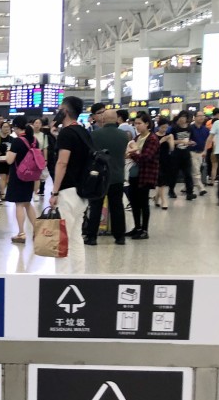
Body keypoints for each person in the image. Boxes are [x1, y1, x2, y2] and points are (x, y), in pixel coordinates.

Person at [49, 96, 92, 273]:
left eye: (60, 109)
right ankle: (78, 276)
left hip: (67, 192)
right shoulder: (83, 132)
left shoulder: (67, 134)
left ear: (65, 112)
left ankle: (61, 279)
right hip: (82, 191)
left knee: (61, 240)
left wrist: (54, 192)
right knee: (75, 238)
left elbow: (62, 163)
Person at [84, 109, 129, 245]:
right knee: (117, 207)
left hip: (99, 176)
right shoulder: (124, 135)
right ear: (116, 120)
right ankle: (119, 237)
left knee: (96, 206)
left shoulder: (94, 134)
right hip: (117, 176)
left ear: (103, 119)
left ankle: (92, 237)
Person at [4, 116, 43, 244]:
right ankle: (37, 231)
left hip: (18, 175)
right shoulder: (34, 140)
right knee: (27, 203)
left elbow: (10, 160)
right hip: (31, 175)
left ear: (15, 127)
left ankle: (21, 233)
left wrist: (7, 153)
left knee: (19, 204)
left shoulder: (17, 141)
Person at [126, 113, 159, 240]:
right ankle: (137, 227)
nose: (137, 126)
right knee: (134, 202)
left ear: (147, 124)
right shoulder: (137, 137)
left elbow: (146, 158)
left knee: (143, 202)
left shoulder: (152, 139)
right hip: (134, 174)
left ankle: (144, 229)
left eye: (140, 123)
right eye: (136, 124)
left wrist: (132, 154)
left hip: (145, 174)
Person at [169, 112, 196, 200]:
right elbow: (171, 141)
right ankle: (171, 190)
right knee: (173, 174)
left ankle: (189, 192)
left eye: (184, 117)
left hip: (186, 154)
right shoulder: (174, 128)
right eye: (181, 117)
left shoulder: (190, 128)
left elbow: (191, 139)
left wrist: (191, 143)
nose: (182, 119)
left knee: (188, 174)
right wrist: (181, 141)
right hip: (176, 154)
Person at [189, 111, 211, 196]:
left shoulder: (205, 129)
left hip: (201, 152)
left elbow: (207, 141)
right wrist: (190, 142)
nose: (201, 117)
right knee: (196, 171)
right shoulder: (190, 128)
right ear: (194, 117)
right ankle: (201, 188)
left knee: (196, 170)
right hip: (192, 152)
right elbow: (187, 139)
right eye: (199, 116)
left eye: (203, 116)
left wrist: (205, 150)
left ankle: (187, 187)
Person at [0, 122, 14, 200]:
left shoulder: (12, 139)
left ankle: (3, 191)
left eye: (8, 127)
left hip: (9, 160)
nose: (6, 128)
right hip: (0, 160)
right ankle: (2, 193)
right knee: (3, 177)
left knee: (7, 178)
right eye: (4, 127)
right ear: (1, 128)